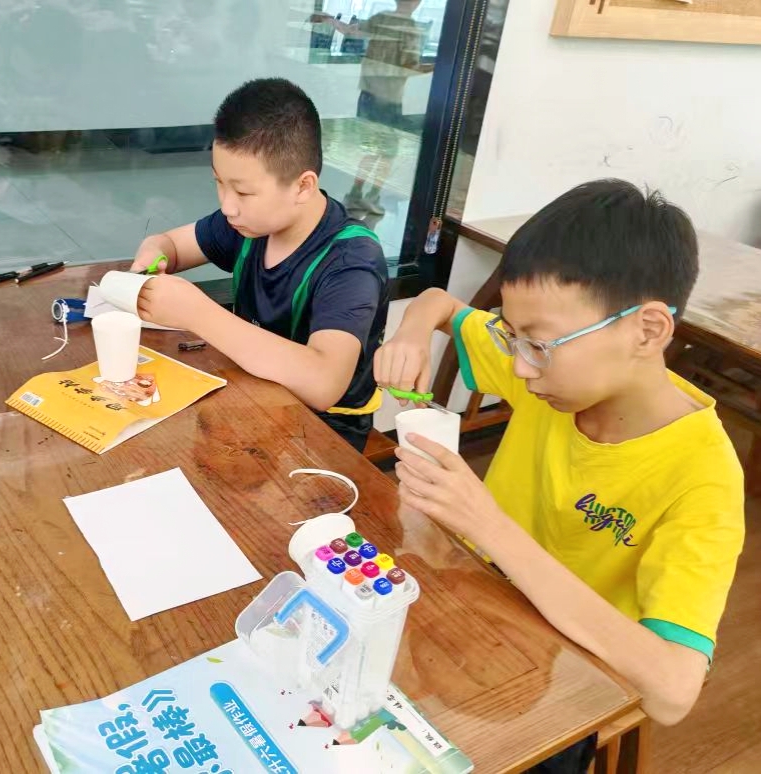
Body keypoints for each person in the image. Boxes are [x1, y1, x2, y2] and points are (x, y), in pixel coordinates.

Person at [376, 181, 744, 754]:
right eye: (512, 337)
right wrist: (412, 334)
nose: (521, 369)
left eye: (539, 345)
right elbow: (440, 305)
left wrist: (488, 525)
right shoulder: (555, 380)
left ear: (648, 330)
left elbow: (674, 692)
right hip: (467, 614)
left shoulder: (703, 477)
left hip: (562, 682)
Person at [130, 78, 389, 452]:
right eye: (219, 183)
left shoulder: (352, 260)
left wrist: (196, 313)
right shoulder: (249, 223)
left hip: (321, 437)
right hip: (248, 401)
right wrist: (153, 254)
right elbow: (170, 245)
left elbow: (323, 382)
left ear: (302, 186)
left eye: (243, 191)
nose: (227, 205)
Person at [313, 1, 431, 217]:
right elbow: (409, 66)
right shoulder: (411, 29)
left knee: (369, 147)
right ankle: (372, 197)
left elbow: (351, 31)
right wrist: (438, 67)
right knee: (387, 152)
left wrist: (329, 19)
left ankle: (355, 192)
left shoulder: (381, 18)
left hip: (367, 94)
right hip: (389, 99)